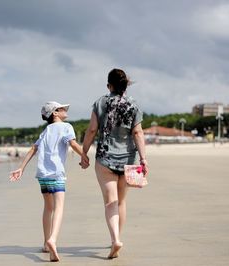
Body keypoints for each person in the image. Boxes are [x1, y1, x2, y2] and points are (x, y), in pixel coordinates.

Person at [80, 68, 148, 259]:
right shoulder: (133, 105)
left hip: (105, 158)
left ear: (108, 85)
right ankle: (116, 239)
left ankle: (115, 239)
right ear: (125, 85)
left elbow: (92, 130)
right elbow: (138, 133)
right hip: (128, 159)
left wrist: (83, 152)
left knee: (110, 202)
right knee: (121, 201)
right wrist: (143, 159)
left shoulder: (100, 102)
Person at [9, 101, 83, 262]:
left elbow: (33, 149)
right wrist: (85, 156)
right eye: (62, 108)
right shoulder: (66, 127)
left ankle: (45, 242)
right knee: (59, 208)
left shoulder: (45, 130)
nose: (65, 110)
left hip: (42, 175)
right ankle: (53, 240)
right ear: (55, 113)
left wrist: (21, 168)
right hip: (56, 174)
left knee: (48, 208)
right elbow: (73, 143)